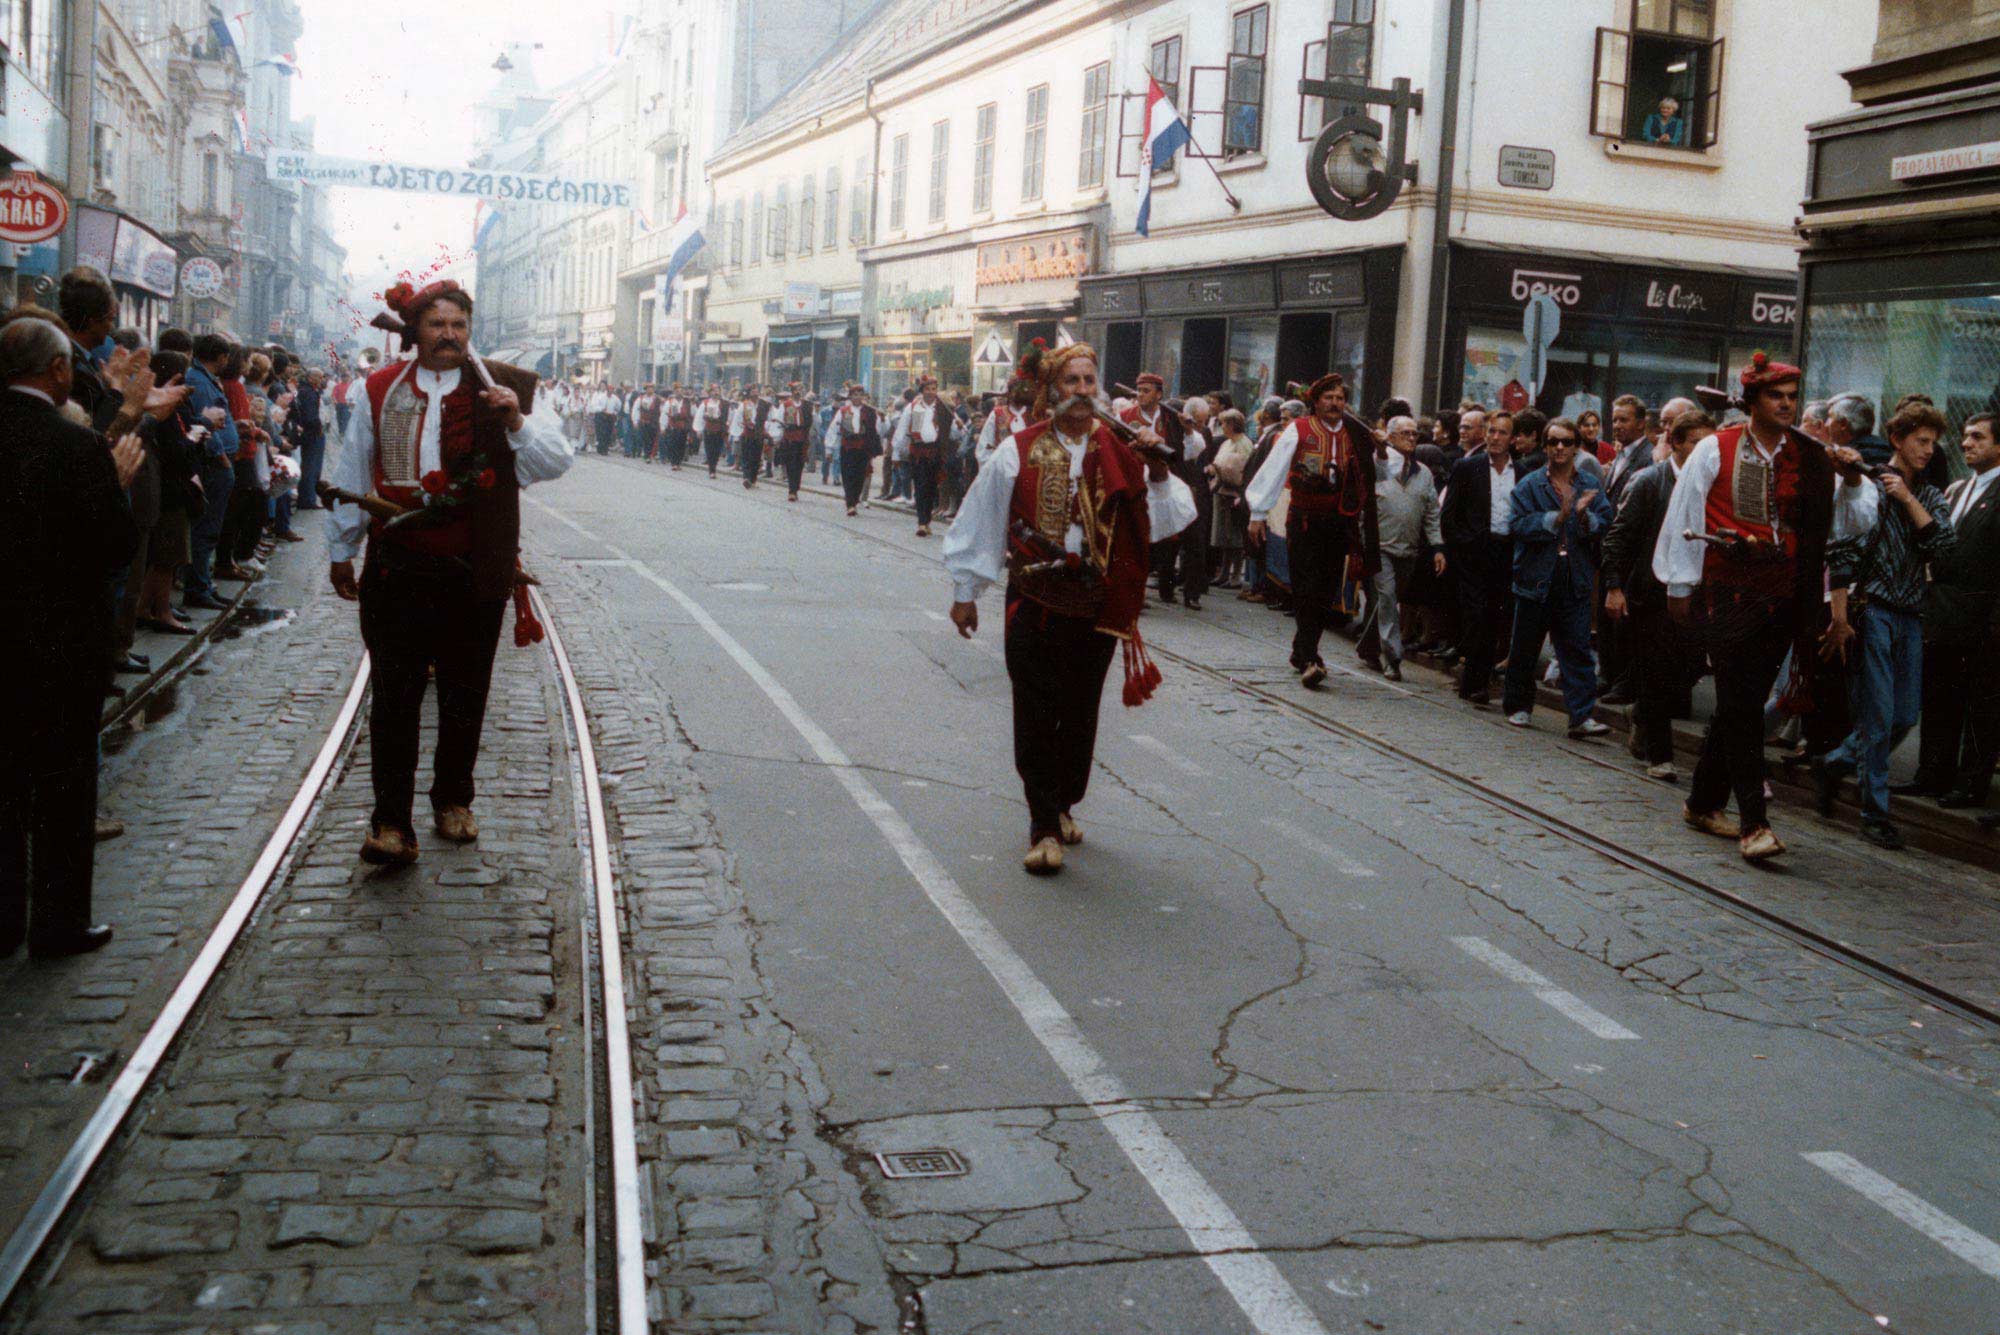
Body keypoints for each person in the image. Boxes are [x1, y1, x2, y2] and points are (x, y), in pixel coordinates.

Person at [327, 278, 573, 866]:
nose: (448, 336)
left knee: (466, 690)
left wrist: (516, 422)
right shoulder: (379, 387)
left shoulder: (505, 388)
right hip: (398, 564)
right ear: (415, 332)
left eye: (458, 325)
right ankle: (390, 821)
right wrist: (341, 548)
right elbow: (353, 466)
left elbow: (556, 462)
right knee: (393, 694)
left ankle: (453, 800)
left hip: (474, 565)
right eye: (436, 325)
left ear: (469, 330)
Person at [942, 341, 1195, 874]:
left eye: (1089, 381)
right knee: (1036, 710)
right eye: (1072, 382)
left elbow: (1167, 521)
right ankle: (1042, 825)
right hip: (1035, 600)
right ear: (1051, 391)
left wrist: (1155, 470)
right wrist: (966, 593)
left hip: (1096, 607)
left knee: (1079, 715)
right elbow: (981, 520)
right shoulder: (1018, 449)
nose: (1082, 392)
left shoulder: (1123, 448)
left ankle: (1061, 803)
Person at [1654, 352, 1878, 863]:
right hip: (1730, 592)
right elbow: (1684, 515)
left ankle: (1702, 802)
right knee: (1740, 701)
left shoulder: (1811, 455)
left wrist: (1850, 478)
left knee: (1743, 701)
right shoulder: (1716, 447)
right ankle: (1754, 823)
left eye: (1791, 397)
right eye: (1775, 396)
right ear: (1752, 400)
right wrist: (1679, 584)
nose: (1785, 405)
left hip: (1787, 596)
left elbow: (1856, 524)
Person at [0, 317, 147, 957]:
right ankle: (58, 923)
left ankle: (2, 921)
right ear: (58, 371)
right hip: (59, 644)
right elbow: (115, 547)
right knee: (63, 782)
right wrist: (112, 486)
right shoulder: (76, 446)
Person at [1814, 402, 1956, 848]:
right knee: (1878, 719)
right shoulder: (1869, 485)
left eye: (1933, 443)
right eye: (1921, 441)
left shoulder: (1929, 495)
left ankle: (1836, 759)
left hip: (1912, 616)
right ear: (1898, 440)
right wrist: (1839, 616)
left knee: (1904, 717)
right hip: (1873, 610)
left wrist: (1907, 498)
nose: (1929, 451)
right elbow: (1841, 551)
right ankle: (1875, 813)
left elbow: (1944, 548)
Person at [1245, 373, 1380, 687]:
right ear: (1316, 402)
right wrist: (1258, 512)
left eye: (1340, 398)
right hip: (1305, 519)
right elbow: (1273, 470)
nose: (1335, 404)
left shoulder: (1354, 433)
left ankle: (1303, 650)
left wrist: (1383, 450)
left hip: (1338, 522)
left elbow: (1370, 475)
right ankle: (1308, 657)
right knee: (1306, 587)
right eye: (1329, 398)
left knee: (1326, 590)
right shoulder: (1298, 429)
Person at [1603, 410, 1714, 780]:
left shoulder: (1711, 485)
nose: (1705, 451)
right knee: (1657, 669)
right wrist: (1614, 586)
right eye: (1697, 442)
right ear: (1678, 443)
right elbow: (1620, 537)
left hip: (1695, 594)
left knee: (1689, 667)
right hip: (1652, 593)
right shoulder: (1651, 481)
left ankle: (1643, 713)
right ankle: (1660, 755)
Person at [1501, 418, 1614, 736]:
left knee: (1576, 648)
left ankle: (1580, 715)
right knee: (1525, 646)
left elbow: (1605, 522)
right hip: (1535, 576)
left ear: (1577, 446)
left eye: (1566, 442)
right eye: (1553, 442)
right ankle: (1519, 706)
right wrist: (1557, 517)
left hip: (1573, 576)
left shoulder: (1590, 482)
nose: (1560, 448)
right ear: (1545, 446)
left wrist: (1582, 516)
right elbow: (1517, 525)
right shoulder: (1530, 484)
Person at [1912, 413, 2000, 809]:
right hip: (1943, 611)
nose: (1966, 444)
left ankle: (1970, 782)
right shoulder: (1958, 488)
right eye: (1964, 436)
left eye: (1978, 437)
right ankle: (1932, 774)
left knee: (1980, 702)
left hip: (1982, 615)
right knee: (1939, 695)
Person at [1440, 410, 1518, 703]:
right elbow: (1449, 516)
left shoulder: (1520, 472)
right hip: (1475, 554)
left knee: (1495, 616)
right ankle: (1474, 682)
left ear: (1512, 438)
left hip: (1505, 552)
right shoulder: (1467, 467)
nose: (1495, 438)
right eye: (1492, 432)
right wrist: (1462, 547)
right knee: (1476, 615)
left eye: (1502, 433)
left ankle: (1478, 679)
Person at [1358, 416, 1444, 682]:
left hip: (1409, 550)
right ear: (1390, 437)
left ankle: (1367, 646)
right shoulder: (1377, 467)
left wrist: (1438, 547)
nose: (1410, 438)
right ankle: (1393, 658)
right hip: (1380, 547)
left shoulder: (1424, 473)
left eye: (1414, 434)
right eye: (1404, 433)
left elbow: (1431, 513)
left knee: (1390, 599)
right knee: (1386, 596)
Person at [893, 375, 953, 535]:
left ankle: (927, 520)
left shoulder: (942, 407)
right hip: (918, 452)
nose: (931, 393)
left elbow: (950, 429)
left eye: (934, 389)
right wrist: (896, 453)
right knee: (920, 486)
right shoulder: (913, 407)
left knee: (932, 488)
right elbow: (902, 430)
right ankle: (921, 522)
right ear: (922, 390)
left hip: (936, 452)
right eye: (927, 389)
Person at [1208, 408, 1254, 590]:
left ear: (1234, 424)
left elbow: (1241, 469)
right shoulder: (1227, 443)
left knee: (1234, 537)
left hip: (1234, 493)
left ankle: (1235, 574)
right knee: (1223, 536)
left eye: (1225, 423)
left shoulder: (1244, 443)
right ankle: (1224, 573)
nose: (1222, 426)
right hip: (1222, 491)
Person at [825, 382, 883, 515]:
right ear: (850, 397)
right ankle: (850, 503)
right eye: (854, 395)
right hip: (847, 447)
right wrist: (829, 448)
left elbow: (878, 430)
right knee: (848, 475)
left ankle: (855, 499)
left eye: (860, 395)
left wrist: (883, 422)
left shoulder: (870, 412)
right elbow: (833, 429)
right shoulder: (843, 411)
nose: (857, 397)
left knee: (860, 476)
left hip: (863, 448)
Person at [976, 370, 1036, 466]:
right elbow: (984, 445)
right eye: (1016, 390)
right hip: (1002, 468)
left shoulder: (1033, 415)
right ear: (1009, 393)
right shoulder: (997, 413)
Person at [769, 382, 812, 501]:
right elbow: (779, 420)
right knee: (790, 464)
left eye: (801, 389)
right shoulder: (786, 404)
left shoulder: (807, 405)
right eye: (797, 389)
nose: (799, 392)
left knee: (800, 464)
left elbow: (809, 421)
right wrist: (777, 437)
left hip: (802, 438)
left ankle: (796, 486)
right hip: (790, 438)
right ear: (792, 391)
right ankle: (792, 490)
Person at [731, 384, 769, 487]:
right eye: (752, 390)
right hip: (747, 434)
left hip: (759, 435)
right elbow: (738, 419)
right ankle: (746, 477)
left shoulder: (764, 404)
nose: (755, 392)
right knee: (746, 456)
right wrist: (739, 431)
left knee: (756, 458)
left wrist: (767, 432)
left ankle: (753, 479)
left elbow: (768, 419)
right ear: (749, 393)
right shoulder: (744, 404)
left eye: (756, 390)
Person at [698, 383, 728, 475]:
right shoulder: (705, 403)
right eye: (714, 391)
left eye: (717, 390)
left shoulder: (724, 403)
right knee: (709, 450)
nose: (716, 392)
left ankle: (713, 466)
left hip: (720, 429)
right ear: (710, 392)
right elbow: (699, 416)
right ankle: (712, 470)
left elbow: (728, 416)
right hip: (708, 429)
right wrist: (698, 429)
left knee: (717, 450)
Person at [632, 383, 663, 463]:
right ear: (645, 389)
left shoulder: (657, 399)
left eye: (652, 388)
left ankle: (650, 454)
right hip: (644, 422)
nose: (650, 390)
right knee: (646, 439)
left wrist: (662, 422)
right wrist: (635, 421)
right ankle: (647, 455)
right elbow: (635, 409)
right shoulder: (641, 399)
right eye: (648, 388)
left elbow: (662, 410)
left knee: (652, 438)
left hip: (654, 422)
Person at [663, 385, 692, 469]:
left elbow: (689, 415)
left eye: (681, 391)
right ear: (675, 392)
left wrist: (689, 427)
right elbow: (664, 413)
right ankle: (673, 462)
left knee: (681, 444)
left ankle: (678, 462)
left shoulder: (686, 402)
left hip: (683, 426)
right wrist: (663, 425)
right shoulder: (670, 401)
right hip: (673, 425)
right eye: (678, 391)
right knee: (672, 444)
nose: (680, 393)